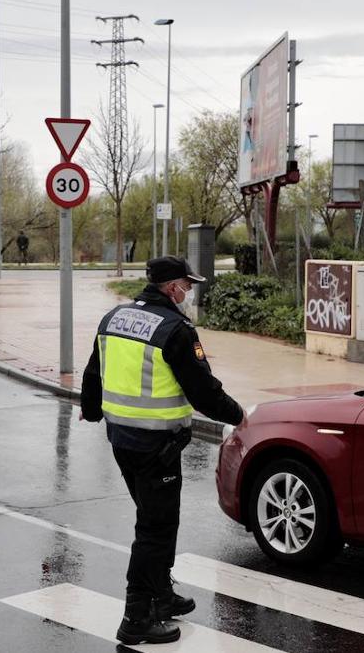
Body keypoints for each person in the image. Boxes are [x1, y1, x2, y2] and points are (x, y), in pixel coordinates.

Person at [80, 256, 245, 645]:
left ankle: (162, 595)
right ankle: (136, 617)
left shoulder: (113, 318)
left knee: (155, 519)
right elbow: (203, 391)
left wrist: (90, 411)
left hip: (122, 441)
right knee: (155, 528)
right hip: (158, 446)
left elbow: (93, 373)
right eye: (187, 286)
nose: (188, 293)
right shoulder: (175, 329)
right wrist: (240, 416)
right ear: (172, 288)